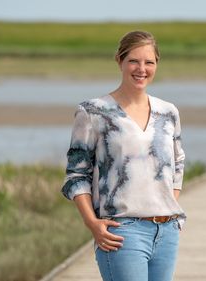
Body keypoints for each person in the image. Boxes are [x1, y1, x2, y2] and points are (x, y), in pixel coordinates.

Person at [61, 30, 186, 281]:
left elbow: (178, 164)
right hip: (121, 231)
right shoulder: (93, 111)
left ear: (156, 65)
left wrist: (165, 204)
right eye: (134, 61)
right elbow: (77, 175)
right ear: (119, 61)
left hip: (167, 230)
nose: (141, 69)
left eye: (149, 62)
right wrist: (92, 223)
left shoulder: (168, 111)